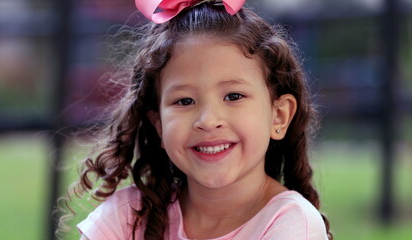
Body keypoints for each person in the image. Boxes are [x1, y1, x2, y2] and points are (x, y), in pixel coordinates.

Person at [65, 0, 333, 239]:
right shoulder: (127, 217)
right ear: (159, 125)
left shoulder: (290, 223)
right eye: (184, 101)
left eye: (234, 96)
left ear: (279, 115)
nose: (208, 120)